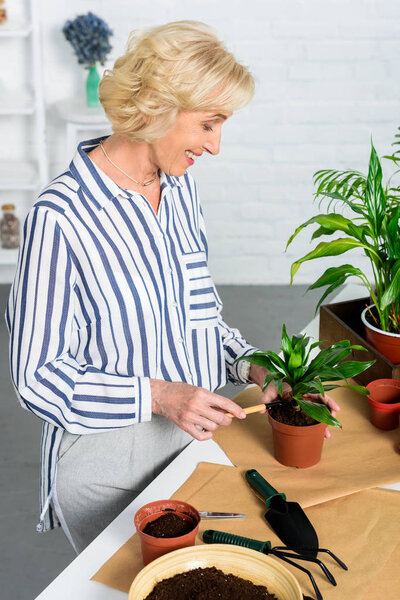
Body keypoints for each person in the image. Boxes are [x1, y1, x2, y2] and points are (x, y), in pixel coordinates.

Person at [6, 21, 339, 553]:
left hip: (189, 441)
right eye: (209, 125)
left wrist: (256, 367)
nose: (215, 146)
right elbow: (37, 379)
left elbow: (199, 320)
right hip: (107, 463)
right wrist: (159, 396)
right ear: (157, 107)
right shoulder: (60, 216)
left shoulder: (179, 190)